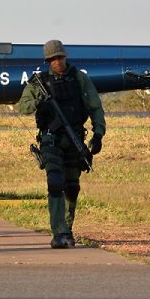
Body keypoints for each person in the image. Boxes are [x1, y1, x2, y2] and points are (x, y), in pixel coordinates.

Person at [15, 40, 106, 249]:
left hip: (74, 137)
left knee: (72, 186)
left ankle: (67, 228)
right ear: (48, 61)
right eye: (53, 59)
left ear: (65, 57)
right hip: (50, 139)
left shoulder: (79, 78)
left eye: (60, 57)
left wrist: (98, 133)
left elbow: (95, 106)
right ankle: (58, 233)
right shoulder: (39, 82)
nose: (57, 62)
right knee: (55, 183)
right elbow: (23, 106)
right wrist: (39, 100)